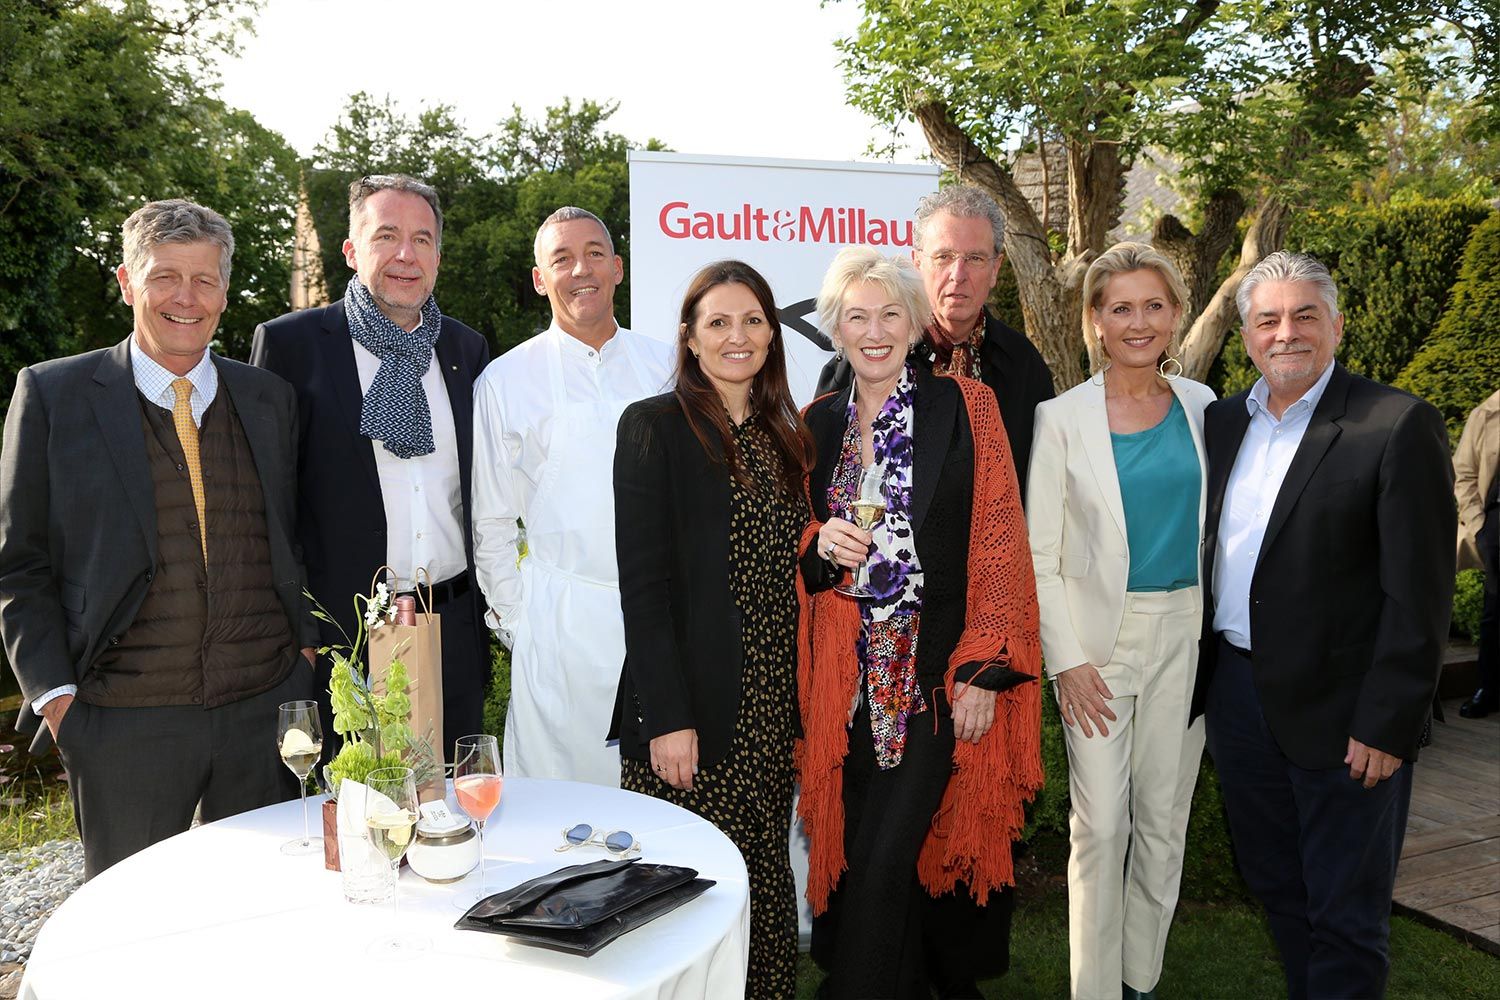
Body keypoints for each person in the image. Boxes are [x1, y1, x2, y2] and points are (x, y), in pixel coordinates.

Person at [0, 200, 318, 878]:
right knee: (132, 933)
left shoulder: (268, 400)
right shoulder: (53, 396)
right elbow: (19, 565)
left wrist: (305, 658)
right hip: (122, 724)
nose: (185, 297)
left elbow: (296, 536)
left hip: (263, 711)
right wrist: (57, 699)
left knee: (265, 912)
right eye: (165, 276)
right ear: (126, 282)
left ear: (225, 293)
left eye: (204, 279)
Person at [1196, 251, 1455, 999]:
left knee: (1346, 912)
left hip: (1348, 711)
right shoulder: (1221, 421)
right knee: (1277, 886)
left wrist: (1388, 721)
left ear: (1337, 325)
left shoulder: (1394, 423)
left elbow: (1420, 593)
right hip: (1239, 697)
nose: (1287, 333)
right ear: (1245, 334)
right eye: (1268, 319)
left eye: (1305, 315)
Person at [816, 187, 1054, 993]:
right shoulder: (817, 419)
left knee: (886, 863)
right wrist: (817, 543)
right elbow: (792, 537)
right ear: (836, 329)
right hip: (842, 684)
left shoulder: (968, 404)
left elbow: (999, 541)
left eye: (890, 316)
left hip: (927, 677)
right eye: (857, 317)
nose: (874, 332)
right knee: (860, 861)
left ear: (914, 323)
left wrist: (987, 663)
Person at [610, 260, 814, 998]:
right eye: (719, 322)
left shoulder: (783, 436)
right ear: (691, 339)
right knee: (689, 899)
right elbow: (646, 588)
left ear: (773, 333)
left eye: (754, 321)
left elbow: (791, 569)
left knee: (761, 882)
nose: (739, 336)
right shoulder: (653, 428)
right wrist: (668, 718)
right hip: (691, 710)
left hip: (767, 703)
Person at [1027, 243, 1215, 1000]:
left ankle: (1141, 980)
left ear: (1175, 313)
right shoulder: (1061, 416)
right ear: (1095, 321)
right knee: (1101, 827)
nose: (1138, 322)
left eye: (1153, 306)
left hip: (1188, 637)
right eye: (1119, 308)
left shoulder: (1207, 409)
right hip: (1097, 647)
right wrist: (1065, 661)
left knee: (1165, 820)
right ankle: (1095, 990)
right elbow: (1041, 555)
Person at [251, 174, 491, 761]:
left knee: (450, 808)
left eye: (423, 239)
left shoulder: (466, 350)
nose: (406, 255)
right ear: (352, 249)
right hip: (342, 633)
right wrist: (300, 636)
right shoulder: (291, 344)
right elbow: (267, 503)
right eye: (387, 235)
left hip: (451, 624)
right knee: (356, 815)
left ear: (439, 254)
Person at [472, 207, 674, 786]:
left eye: (593, 253)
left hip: (657, 623)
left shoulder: (668, 367)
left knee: (655, 807)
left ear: (617, 267)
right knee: (560, 814)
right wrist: (520, 620)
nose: (579, 269)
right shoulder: (505, 380)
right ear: (540, 278)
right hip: (557, 627)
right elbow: (489, 521)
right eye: (561, 258)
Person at [817, 185, 1055, 498]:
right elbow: (818, 487)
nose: (958, 274)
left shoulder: (1023, 365)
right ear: (918, 263)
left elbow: (1041, 486)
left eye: (975, 258)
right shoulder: (866, 360)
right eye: (944, 256)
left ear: (995, 269)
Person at [1454, 389, 1499, 718]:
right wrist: (1479, 526)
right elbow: (1464, 473)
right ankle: (1488, 688)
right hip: (1495, 523)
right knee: (1494, 613)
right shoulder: (1487, 412)